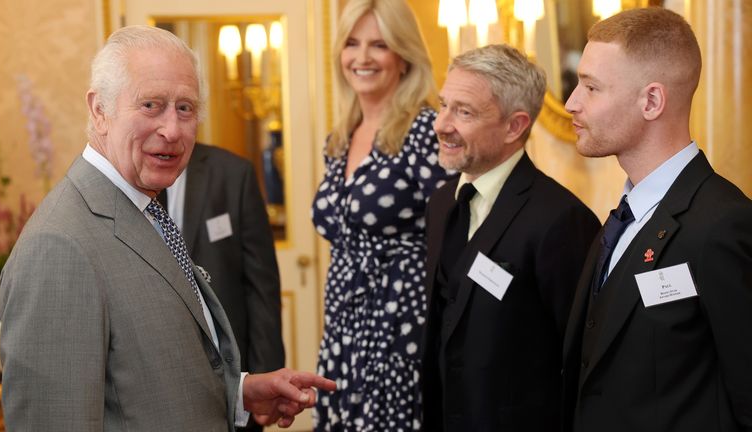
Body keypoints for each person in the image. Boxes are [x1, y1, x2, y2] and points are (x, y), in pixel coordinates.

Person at [0, 25, 334, 431]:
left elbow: (147, 383)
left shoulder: (143, 208)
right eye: (151, 105)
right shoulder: (58, 247)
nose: (172, 130)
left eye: (185, 108)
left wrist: (239, 392)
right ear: (99, 110)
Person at [562, 8, 752, 432]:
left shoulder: (723, 226)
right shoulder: (621, 220)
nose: (572, 102)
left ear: (651, 101)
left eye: (591, 87)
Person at [421, 44, 601, 431]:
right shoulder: (440, 204)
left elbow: (582, 362)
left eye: (463, 112)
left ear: (514, 126)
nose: (441, 124)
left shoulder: (561, 220)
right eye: (444, 105)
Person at [310, 0, 450, 429]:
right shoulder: (339, 138)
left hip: (401, 326)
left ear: (404, 56)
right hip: (343, 328)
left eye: (379, 45)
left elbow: (453, 230)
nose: (362, 57)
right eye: (352, 44)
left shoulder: (425, 130)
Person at [159, 142, 286, 432]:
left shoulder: (233, 173)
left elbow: (261, 286)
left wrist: (267, 372)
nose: (170, 124)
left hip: (231, 373)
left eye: (184, 107)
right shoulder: (124, 180)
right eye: (152, 105)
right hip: (160, 376)